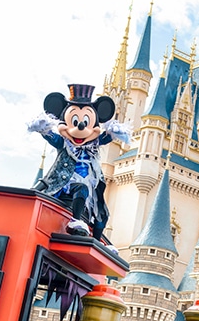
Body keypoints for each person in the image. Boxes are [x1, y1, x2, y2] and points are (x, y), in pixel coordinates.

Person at [29, 84, 128, 239]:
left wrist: (115, 131)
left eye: (86, 121)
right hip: (65, 183)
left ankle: (96, 241)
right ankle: (75, 221)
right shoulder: (64, 143)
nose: (81, 126)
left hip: (90, 186)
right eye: (75, 121)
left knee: (103, 214)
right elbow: (52, 137)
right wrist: (43, 128)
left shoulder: (93, 144)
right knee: (81, 189)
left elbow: (106, 138)